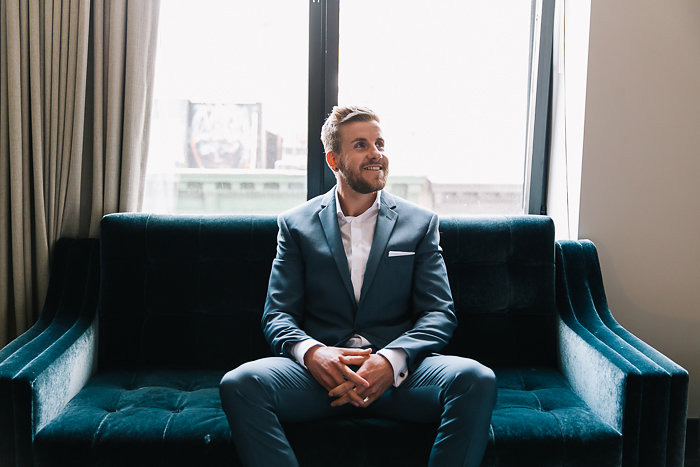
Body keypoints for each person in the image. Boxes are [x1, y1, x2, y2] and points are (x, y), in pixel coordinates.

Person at [220, 105, 497, 466]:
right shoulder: (295, 225)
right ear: (334, 159)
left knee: (476, 378)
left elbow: (438, 314)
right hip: (319, 378)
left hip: (400, 377)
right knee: (239, 383)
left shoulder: (420, 223)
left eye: (380, 143)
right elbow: (278, 315)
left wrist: (389, 360)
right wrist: (313, 354)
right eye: (362, 145)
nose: (376, 153)